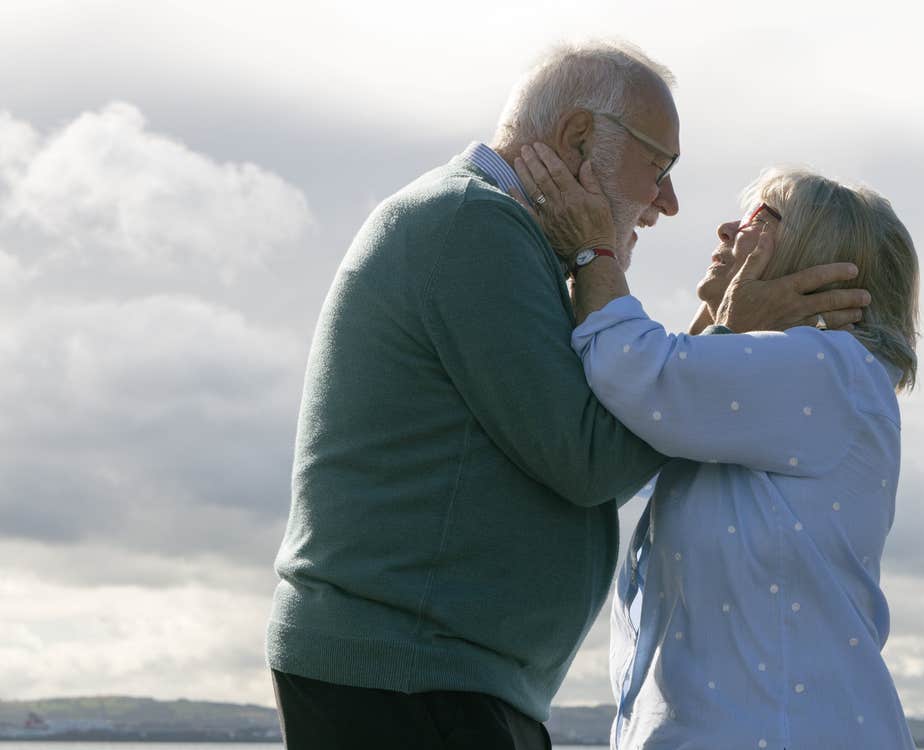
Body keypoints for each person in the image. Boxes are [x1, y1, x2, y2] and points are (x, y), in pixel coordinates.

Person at [264, 40, 870, 750]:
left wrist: (716, 323)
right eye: (660, 168)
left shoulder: (495, 232)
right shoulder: (475, 225)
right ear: (581, 138)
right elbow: (590, 460)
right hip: (409, 677)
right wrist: (730, 330)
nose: (668, 203)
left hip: (432, 677)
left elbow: (606, 437)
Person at [513, 148, 920, 749]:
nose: (728, 229)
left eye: (760, 220)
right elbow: (650, 412)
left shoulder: (830, 371)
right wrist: (725, 317)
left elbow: (637, 369)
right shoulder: (778, 394)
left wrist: (592, 250)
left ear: (817, 259)